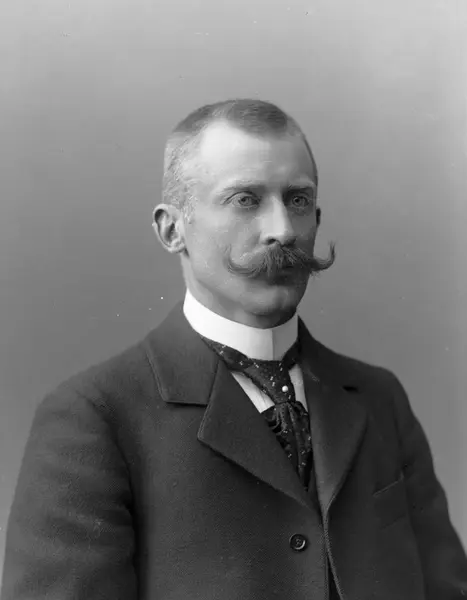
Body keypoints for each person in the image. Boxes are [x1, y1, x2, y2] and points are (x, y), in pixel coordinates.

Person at [1, 98, 466, 600]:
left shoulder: (379, 398)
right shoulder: (94, 416)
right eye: (245, 199)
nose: (283, 230)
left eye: (298, 200)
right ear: (172, 229)